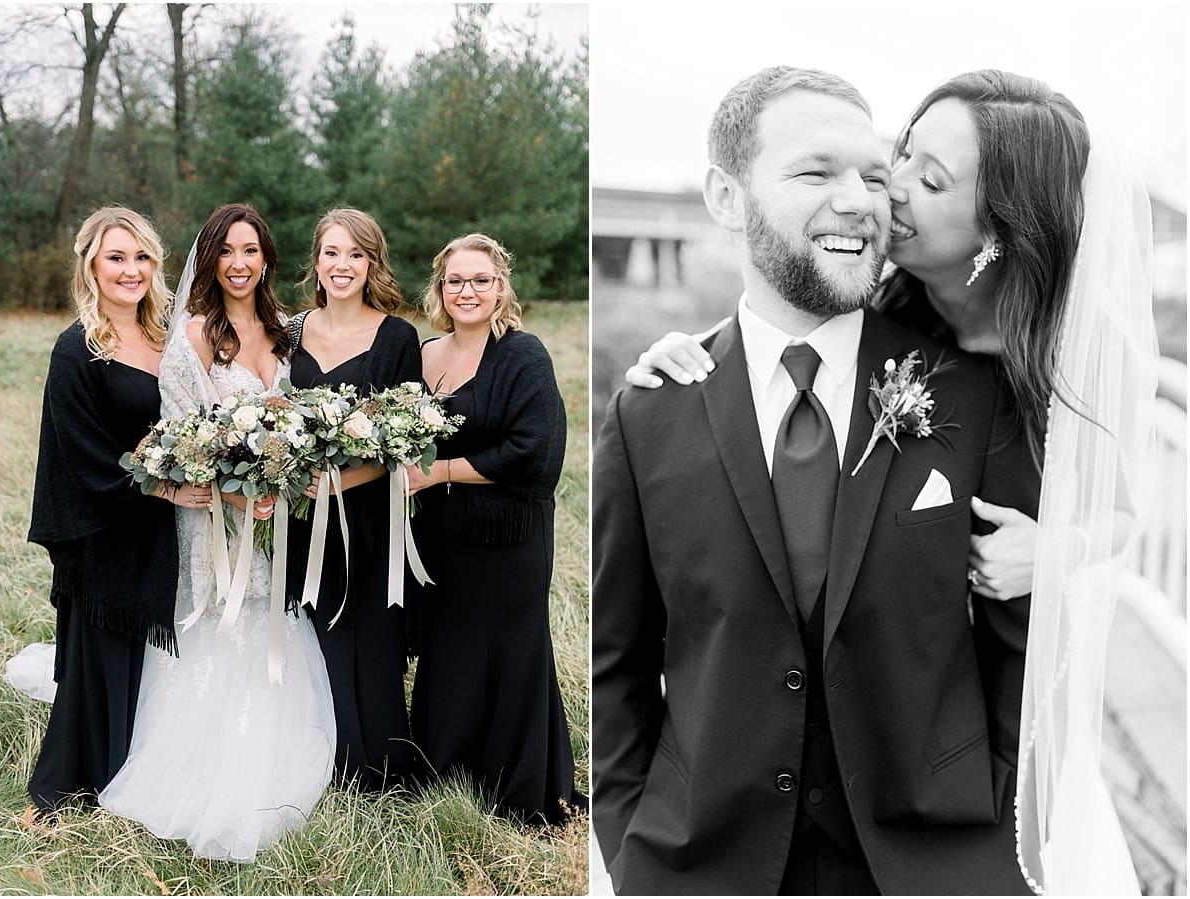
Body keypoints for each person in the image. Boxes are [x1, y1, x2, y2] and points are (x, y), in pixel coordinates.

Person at [623, 69, 1157, 894]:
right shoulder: (886, 302)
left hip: (983, 734)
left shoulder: (1073, 350)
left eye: (928, 180)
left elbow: (1120, 512)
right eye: (903, 153)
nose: (888, 188)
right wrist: (695, 359)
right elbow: (786, 326)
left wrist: (1057, 547)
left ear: (998, 228)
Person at [98, 204, 336, 863]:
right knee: (219, 624)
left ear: (266, 259)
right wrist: (236, 492)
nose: (239, 262)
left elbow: (292, 423)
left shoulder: (283, 331)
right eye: (226, 250)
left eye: (250, 250)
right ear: (210, 259)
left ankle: (274, 762)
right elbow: (181, 438)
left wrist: (283, 476)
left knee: (266, 619)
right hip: (210, 516)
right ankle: (200, 773)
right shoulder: (195, 336)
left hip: (271, 516)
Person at [23, 207, 212, 813]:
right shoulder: (77, 349)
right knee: (101, 664)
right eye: (116, 258)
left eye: (141, 258)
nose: (131, 270)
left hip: (164, 531)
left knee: (152, 667)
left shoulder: (168, 337)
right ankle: (71, 788)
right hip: (104, 530)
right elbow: (80, 453)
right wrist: (163, 490)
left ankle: (140, 776)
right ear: (91, 266)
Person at [407, 233, 586, 825]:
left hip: (510, 539)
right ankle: (447, 769)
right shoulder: (424, 355)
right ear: (440, 288)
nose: (468, 291)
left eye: (481, 280)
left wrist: (440, 472)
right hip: (442, 539)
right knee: (451, 651)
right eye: (455, 281)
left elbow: (536, 451)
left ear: (500, 286)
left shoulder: (522, 354)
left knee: (511, 656)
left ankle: (517, 787)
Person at [284, 208, 423, 792]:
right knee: (317, 637)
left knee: (373, 637)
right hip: (299, 517)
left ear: (372, 264)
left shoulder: (398, 338)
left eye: (356, 255)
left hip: (370, 516)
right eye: (332, 253)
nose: (343, 265)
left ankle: (383, 769)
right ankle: (327, 767)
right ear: (316, 261)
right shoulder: (289, 333)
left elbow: (408, 438)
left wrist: (341, 482)